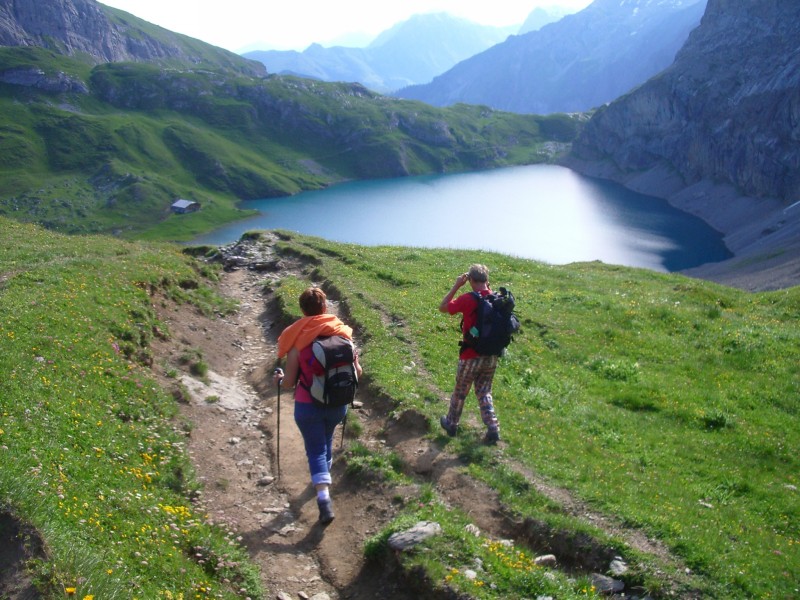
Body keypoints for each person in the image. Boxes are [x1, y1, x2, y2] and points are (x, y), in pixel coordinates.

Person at [273, 286, 362, 524]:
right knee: (324, 444)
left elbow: (290, 382)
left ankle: (324, 498)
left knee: (315, 450)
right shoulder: (343, 335)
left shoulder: (297, 340)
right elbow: (358, 373)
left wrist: (280, 379)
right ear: (325, 307)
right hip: (337, 404)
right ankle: (323, 477)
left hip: (307, 405)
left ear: (303, 310)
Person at [438, 264, 501, 445]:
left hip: (470, 356)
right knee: (484, 391)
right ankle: (493, 427)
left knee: (460, 391)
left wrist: (457, 285)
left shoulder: (468, 298)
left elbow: (443, 307)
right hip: (491, 356)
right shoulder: (496, 299)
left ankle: (451, 424)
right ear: (487, 280)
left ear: (471, 280)